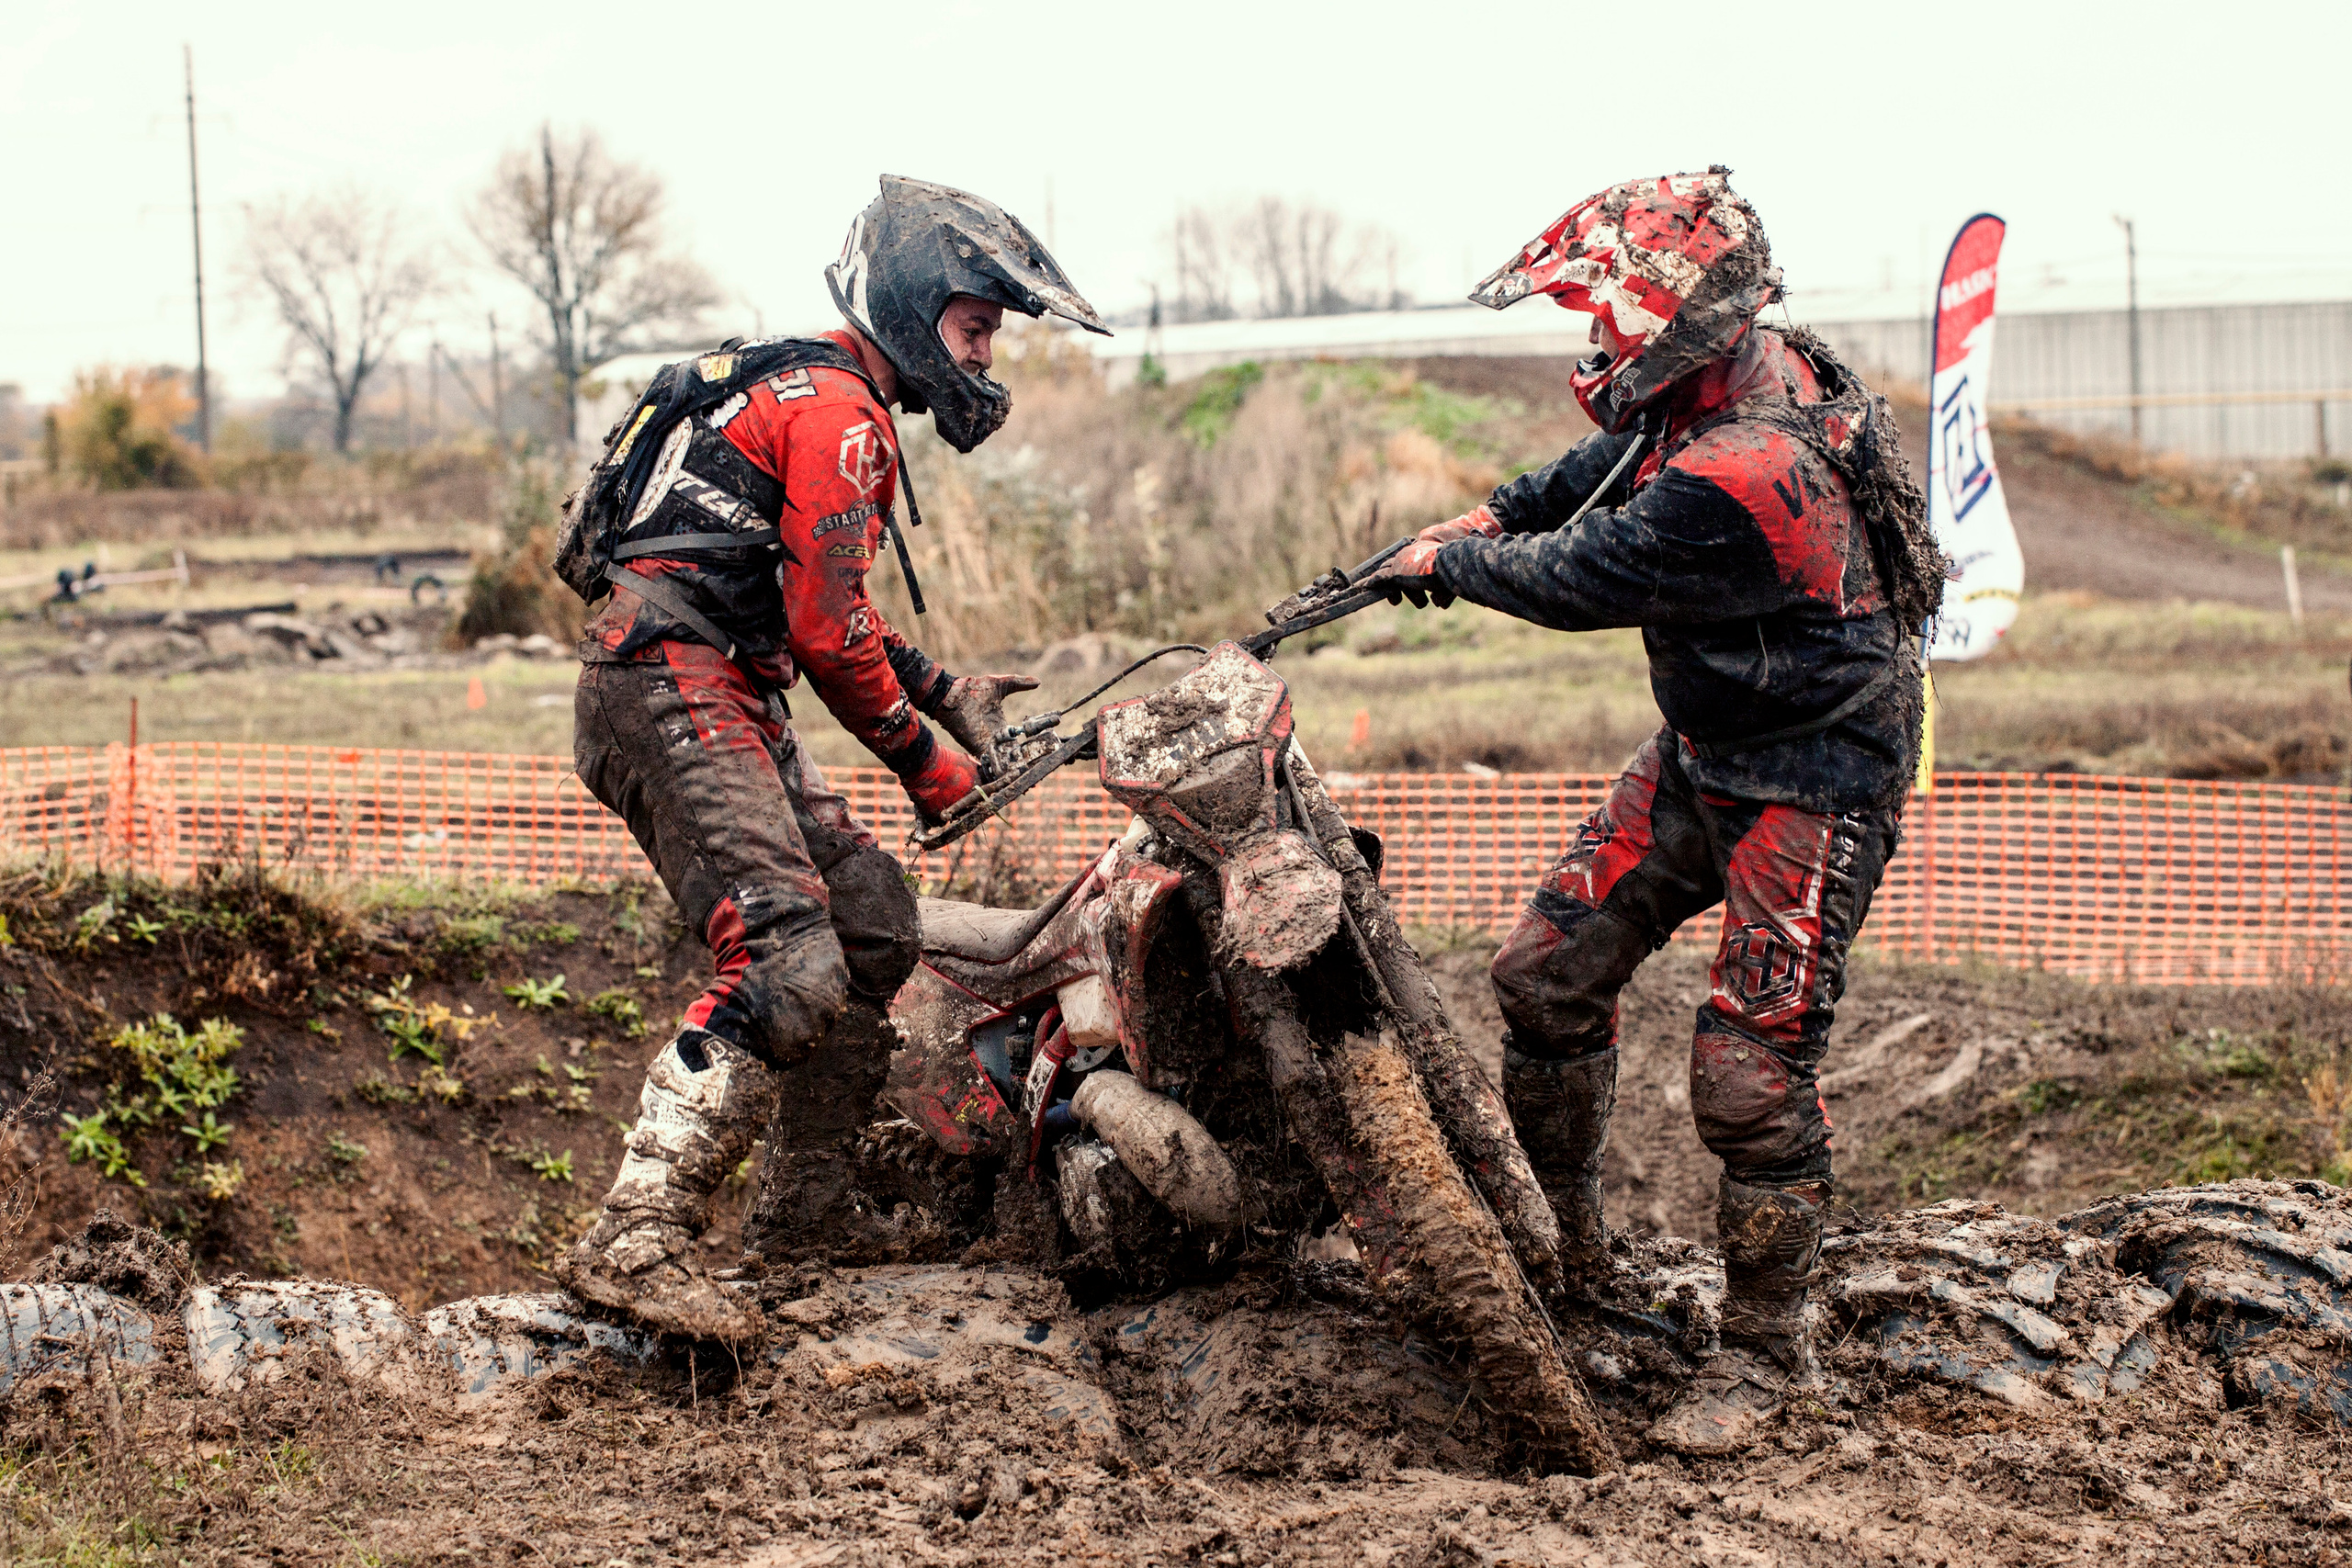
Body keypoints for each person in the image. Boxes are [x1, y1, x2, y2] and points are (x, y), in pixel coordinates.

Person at [1359, 168, 1941, 1454]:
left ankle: (1768, 1353)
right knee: (1542, 974)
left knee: (1744, 1072)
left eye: (1611, 320)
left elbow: (1579, 574)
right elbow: (1591, 469)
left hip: (1817, 772)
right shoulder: (1727, 374)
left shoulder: (1748, 468)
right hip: (1705, 741)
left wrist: (1450, 562)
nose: (1597, 346)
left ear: (1683, 319)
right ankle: (1572, 1263)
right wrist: (1485, 511)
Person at [552, 175, 1109, 1342]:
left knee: (868, 919)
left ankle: (801, 1214)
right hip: (669, 687)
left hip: (701, 681)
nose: (986, 354)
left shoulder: (803, 382)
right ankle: (633, 1236)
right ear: (913, 310)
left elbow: (825, 605)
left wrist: (943, 689)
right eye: (974, 326)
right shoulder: (843, 419)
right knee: (789, 961)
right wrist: (927, 760)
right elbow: (823, 635)